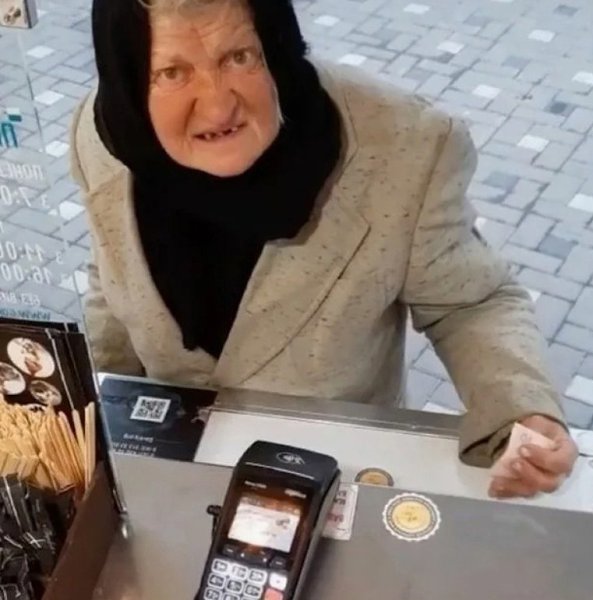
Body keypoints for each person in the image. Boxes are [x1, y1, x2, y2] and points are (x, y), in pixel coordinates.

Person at [70, 0, 578, 499]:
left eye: (239, 57)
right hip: (170, 470)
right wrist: (88, 415)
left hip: (337, 477)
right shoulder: (106, 135)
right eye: (172, 72)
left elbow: (470, 303)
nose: (219, 106)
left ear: (276, 42)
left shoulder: (406, 145)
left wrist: (520, 408)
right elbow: (110, 276)